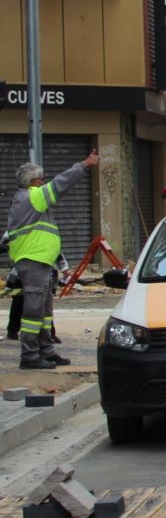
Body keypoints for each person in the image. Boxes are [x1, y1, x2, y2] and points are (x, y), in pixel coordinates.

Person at [5, 151, 100, 369]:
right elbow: (60, 184)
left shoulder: (30, 200)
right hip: (33, 260)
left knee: (44, 310)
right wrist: (84, 164)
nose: (43, 182)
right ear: (33, 182)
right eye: (40, 179)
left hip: (41, 262)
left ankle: (45, 351)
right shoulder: (33, 196)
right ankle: (29, 356)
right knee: (33, 309)